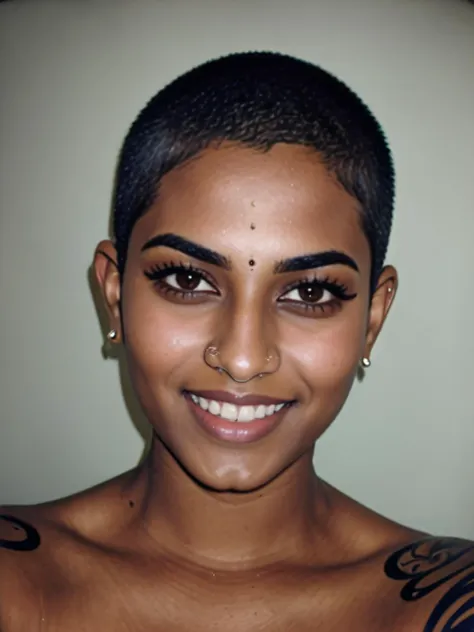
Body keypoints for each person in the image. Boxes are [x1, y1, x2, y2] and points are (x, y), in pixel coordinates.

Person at [0, 51, 472, 632]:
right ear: (115, 293)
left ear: (372, 317)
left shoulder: (443, 604)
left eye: (310, 294)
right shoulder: (17, 586)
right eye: (187, 280)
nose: (244, 359)